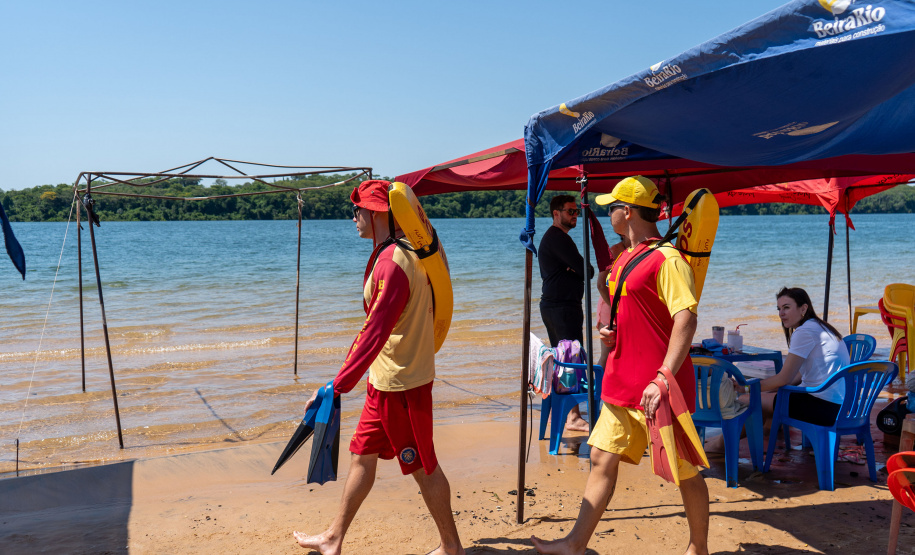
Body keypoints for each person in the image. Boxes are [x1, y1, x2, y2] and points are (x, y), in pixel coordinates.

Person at [532, 176, 709, 555]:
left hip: (658, 387)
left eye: (611, 206)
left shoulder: (668, 259)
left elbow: (686, 319)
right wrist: (611, 330)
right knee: (600, 457)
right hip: (622, 380)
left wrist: (662, 378)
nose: (607, 211)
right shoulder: (625, 257)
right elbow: (636, 310)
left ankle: (699, 548)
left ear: (626, 212)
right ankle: (575, 544)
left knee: (684, 470)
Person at [293, 180, 464, 555]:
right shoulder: (404, 250)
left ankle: (452, 547)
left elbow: (373, 332)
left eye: (356, 211)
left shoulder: (393, 264)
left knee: (423, 467)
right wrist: (343, 382)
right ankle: (334, 538)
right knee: (361, 456)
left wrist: (335, 387)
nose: (353, 219)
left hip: (402, 385)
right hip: (384, 381)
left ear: (374, 213)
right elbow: (377, 331)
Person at [538, 194, 594, 432]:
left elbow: (580, 270)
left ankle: (563, 411)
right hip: (561, 307)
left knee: (564, 360)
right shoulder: (558, 238)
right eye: (570, 211)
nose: (574, 215)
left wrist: (575, 269)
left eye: (576, 212)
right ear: (556, 213)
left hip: (556, 305)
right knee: (570, 360)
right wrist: (577, 269)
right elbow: (587, 270)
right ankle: (573, 416)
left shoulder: (557, 239)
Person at [756, 287, 850, 426]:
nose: (781, 314)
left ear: (803, 308)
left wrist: (747, 388)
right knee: (767, 397)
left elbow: (784, 378)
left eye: (786, 307)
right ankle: (766, 432)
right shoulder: (820, 327)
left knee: (746, 399)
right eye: (779, 309)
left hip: (823, 407)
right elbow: (797, 376)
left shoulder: (804, 332)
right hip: (840, 405)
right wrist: (770, 387)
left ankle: (721, 445)